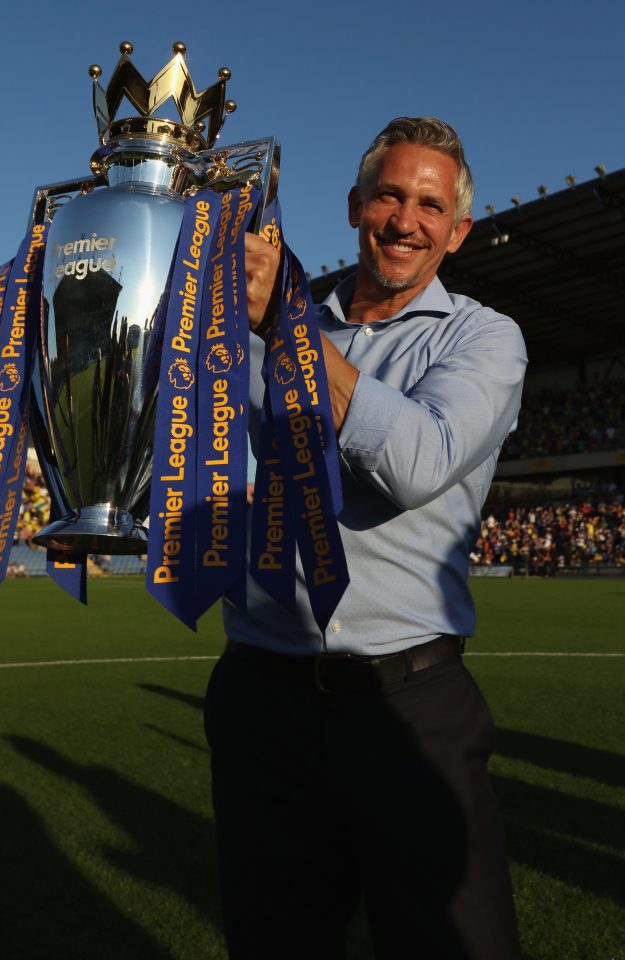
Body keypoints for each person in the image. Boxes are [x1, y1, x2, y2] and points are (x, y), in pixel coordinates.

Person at [204, 118, 527, 960]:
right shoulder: (256, 328)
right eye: (389, 194)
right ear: (354, 206)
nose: (404, 219)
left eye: (429, 204)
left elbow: (418, 461)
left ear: (456, 231)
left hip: (409, 708)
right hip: (261, 703)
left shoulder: (481, 337)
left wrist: (287, 332)